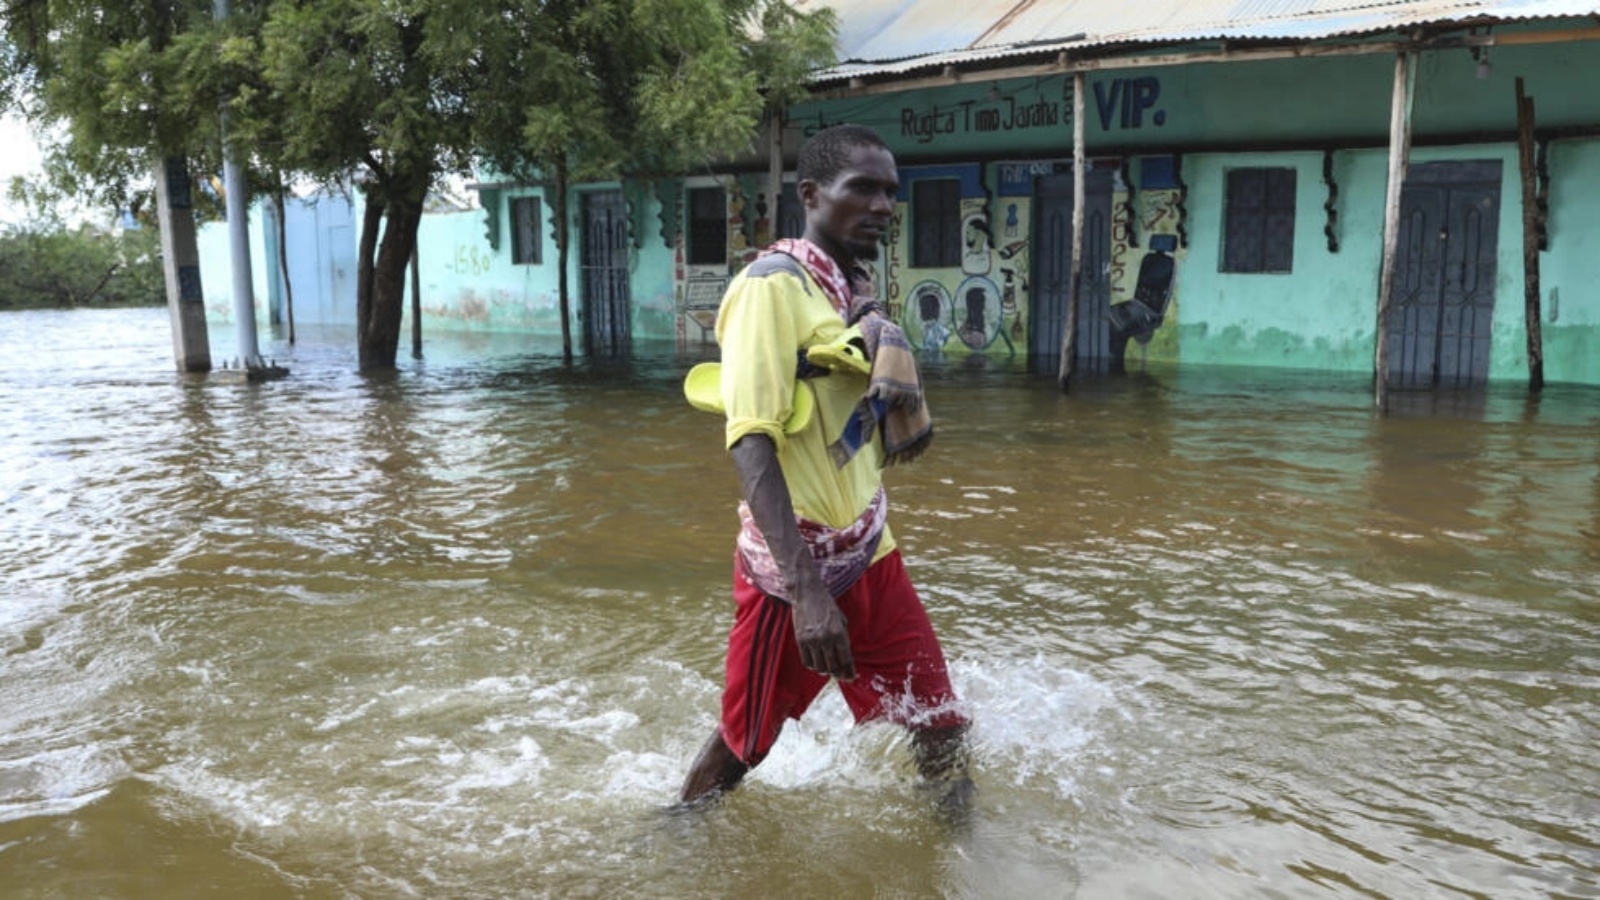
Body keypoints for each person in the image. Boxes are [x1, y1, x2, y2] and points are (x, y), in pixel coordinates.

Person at [679, 124, 972, 810]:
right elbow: (750, 439)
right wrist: (808, 594)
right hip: (795, 572)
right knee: (746, 740)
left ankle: (964, 860)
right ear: (811, 195)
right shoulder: (769, 289)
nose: (882, 205)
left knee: (939, 722)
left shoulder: (850, 292)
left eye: (890, 192)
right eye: (862, 188)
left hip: (871, 551)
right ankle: (673, 839)